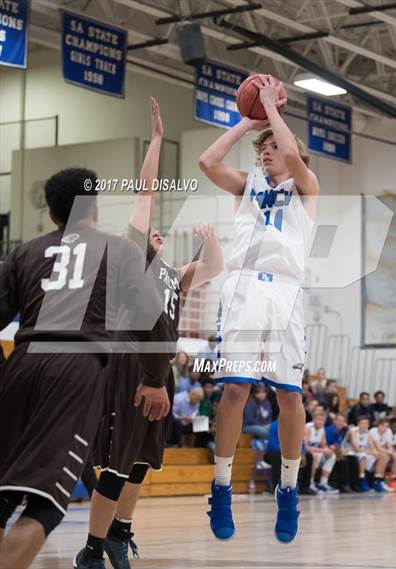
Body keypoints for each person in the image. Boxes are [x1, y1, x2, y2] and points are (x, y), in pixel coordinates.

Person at [74, 98, 223, 569]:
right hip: (131, 368)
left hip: (163, 369)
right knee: (118, 464)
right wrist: (157, 141)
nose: (154, 232)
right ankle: (90, 550)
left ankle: (120, 532)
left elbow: (215, 267)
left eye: (158, 233)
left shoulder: (173, 275)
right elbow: (145, 192)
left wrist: (213, 240)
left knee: (141, 461)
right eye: (147, 231)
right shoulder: (129, 260)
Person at [0, 167, 170, 569]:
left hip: (21, 365)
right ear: (94, 206)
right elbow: (154, 320)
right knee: (46, 502)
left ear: (53, 213)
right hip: (76, 371)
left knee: (4, 492)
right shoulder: (119, 249)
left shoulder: (24, 252)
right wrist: (155, 379)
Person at [199, 75, 319, 543]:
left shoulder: (307, 186)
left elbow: (291, 155)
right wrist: (247, 119)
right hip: (245, 289)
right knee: (235, 391)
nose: (265, 152)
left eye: (270, 145)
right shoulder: (247, 186)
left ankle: (288, 489)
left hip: (287, 293)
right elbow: (208, 161)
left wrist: (273, 112)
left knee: (289, 396)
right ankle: (222, 486)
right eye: (261, 148)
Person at [347, 416, 389, 492]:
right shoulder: (353, 431)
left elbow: (372, 447)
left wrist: (376, 453)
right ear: (358, 424)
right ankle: (362, 481)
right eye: (362, 423)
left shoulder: (368, 432)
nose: (364, 425)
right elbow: (357, 449)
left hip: (363, 451)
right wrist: (371, 452)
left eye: (366, 424)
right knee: (363, 456)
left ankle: (377, 481)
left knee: (383, 457)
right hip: (351, 452)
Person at [304, 411, 339, 494]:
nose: (320, 422)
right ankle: (311, 483)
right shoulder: (307, 428)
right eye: (318, 419)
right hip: (305, 452)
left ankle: (323, 483)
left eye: (322, 420)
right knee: (314, 457)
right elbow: (305, 447)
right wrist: (323, 450)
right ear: (313, 419)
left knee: (332, 455)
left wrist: (328, 449)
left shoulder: (322, 429)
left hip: (316, 451)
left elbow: (324, 445)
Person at [368, 419, 396, 492]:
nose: (384, 428)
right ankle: (377, 481)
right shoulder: (373, 431)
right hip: (371, 451)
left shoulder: (388, 431)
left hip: (381, 450)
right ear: (378, 426)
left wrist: (391, 451)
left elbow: (389, 444)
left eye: (386, 426)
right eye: (382, 426)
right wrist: (388, 452)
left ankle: (392, 480)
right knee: (385, 457)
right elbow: (378, 447)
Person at [325, 414, 352, 492]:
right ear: (334, 421)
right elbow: (330, 445)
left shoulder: (341, 431)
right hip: (326, 450)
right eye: (339, 420)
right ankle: (336, 484)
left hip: (335, 450)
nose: (341, 423)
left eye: (343, 421)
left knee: (348, 458)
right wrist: (340, 450)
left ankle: (345, 484)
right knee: (342, 459)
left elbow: (338, 444)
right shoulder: (330, 430)